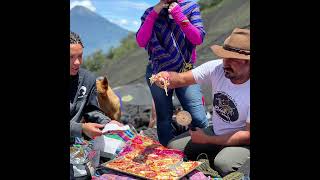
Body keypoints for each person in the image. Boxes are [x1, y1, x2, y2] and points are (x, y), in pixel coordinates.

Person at [153, 28, 250, 176]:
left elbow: (247, 135)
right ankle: (213, 155)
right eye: (225, 57)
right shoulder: (216, 68)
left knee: (224, 164)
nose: (225, 63)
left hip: (244, 142)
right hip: (216, 133)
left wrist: (207, 139)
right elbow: (180, 79)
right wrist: (166, 77)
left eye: (233, 59)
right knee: (173, 147)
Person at [136, 0, 208, 146]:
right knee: (164, 118)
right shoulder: (150, 13)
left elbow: (198, 38)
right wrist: (154, 13)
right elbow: (141, 41)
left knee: (198, 117)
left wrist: (178, 15)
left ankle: (204, 148)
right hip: (158, 72)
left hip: (185, 71)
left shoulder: (190, 7)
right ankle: (169, 154)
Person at [70, 31, 122, 140]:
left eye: (80, 56)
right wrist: (81, 128)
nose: (77, 62)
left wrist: (107, 123)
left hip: (76, 144)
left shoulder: (87, 79)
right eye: (71, 57)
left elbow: (91, 110)